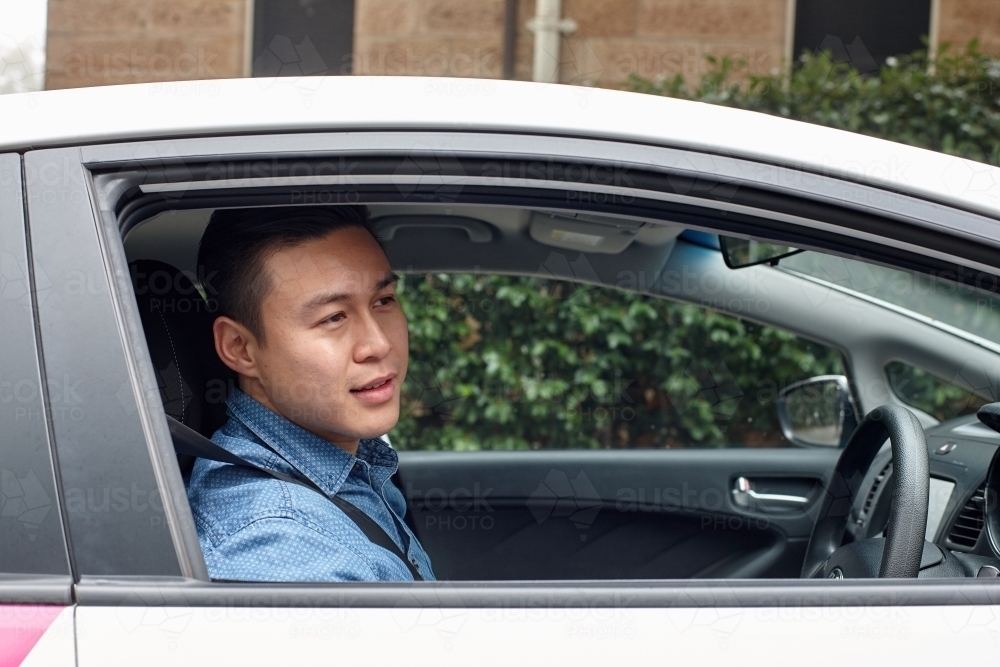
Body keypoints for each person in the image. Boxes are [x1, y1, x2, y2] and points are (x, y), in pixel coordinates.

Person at [185, 205, 435, 582]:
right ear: (240, 348)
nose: (379, 344)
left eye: (383, 300)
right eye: (333, 317)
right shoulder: (284, 546)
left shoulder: (348, 460)